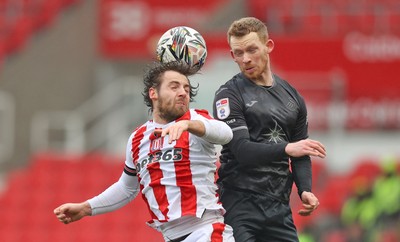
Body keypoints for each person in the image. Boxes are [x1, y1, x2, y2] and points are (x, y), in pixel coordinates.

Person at [54, 61, 235, 242]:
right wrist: (86, 208)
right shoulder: (137, 139)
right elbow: (127, 187)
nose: (183, 92)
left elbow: (226, 133)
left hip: (207, 232)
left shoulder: (195, 120)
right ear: (153, 93)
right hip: (171, 237)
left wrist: (188, 125)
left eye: (186, 89)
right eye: (174, 87)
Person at [212, 17, 327, 242]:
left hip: (278, 206)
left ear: (268, 46)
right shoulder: (228, 95)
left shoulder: (292, 97)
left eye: (252, 49)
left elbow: (301, 153)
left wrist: (304, 189)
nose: (245, 59)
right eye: (238, 53)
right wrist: (287, 148)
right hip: (239, 203)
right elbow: (242, 150)